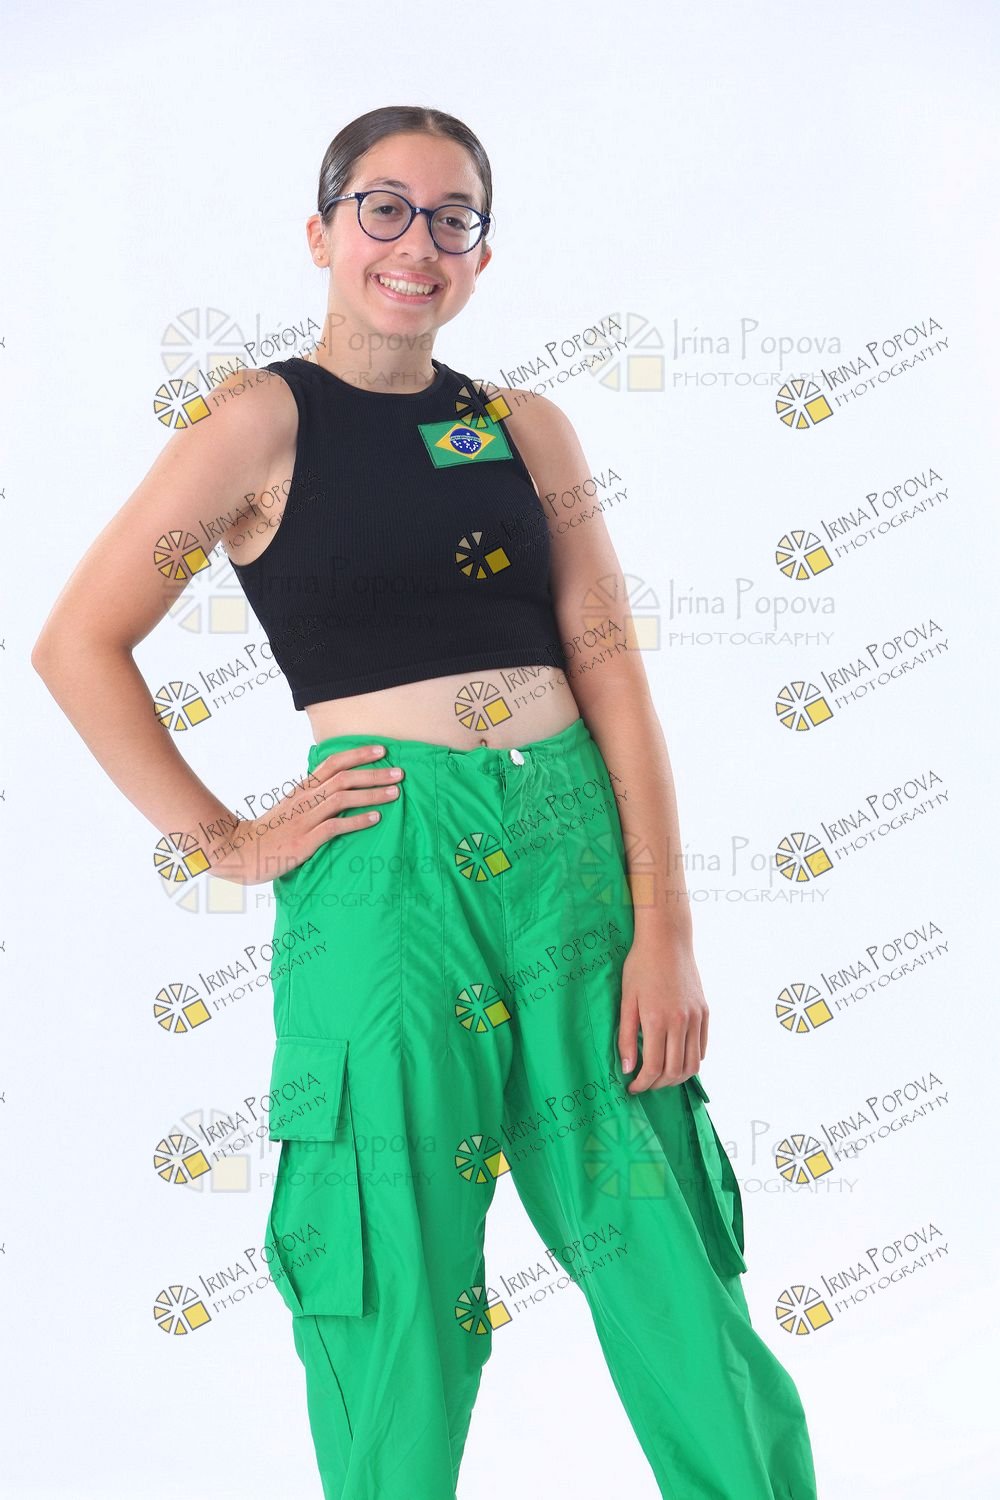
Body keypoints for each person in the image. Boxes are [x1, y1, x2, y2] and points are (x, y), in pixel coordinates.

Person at [32, 104, 818, 1500]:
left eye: (454, 217)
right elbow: (78, 642)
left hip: (571, 852)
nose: (417, 243)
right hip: (382, 870)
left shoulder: (524, 428)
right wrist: (226, 841)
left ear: (481, 255)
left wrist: (668, 928)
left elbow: (613, 675)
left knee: (665, 1253)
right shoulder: (255, 422)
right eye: (384, 208)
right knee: (392, 1276)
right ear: (323, 232)